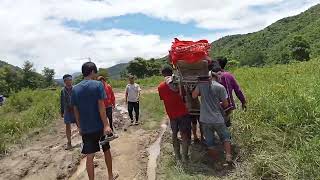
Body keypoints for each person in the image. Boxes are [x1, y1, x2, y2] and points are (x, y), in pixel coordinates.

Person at [71, 62, 118, 180]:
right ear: (92, 71)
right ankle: (110, 176)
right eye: (95, 72)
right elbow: (101, 106)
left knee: (89, 156)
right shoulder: (97, 85)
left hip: (86, 128)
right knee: (106, 150)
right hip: (99, 126)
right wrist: (106, 125)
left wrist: (79, 127)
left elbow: (75, 110)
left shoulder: (75, 89)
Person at [192, 71, 232, 164]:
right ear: (216, 77)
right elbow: (226, 104)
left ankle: (216, 162)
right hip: (217, 118)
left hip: (205, 120)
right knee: (226, 137)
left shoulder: (201, 86)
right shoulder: (220, 87)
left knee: (210, 142)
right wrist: (218, 103)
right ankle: (228, 157)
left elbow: (194, 96)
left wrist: (198, 85)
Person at [158, 65, 191, 162]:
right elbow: (185, 95)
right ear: (171, 72)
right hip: (183, 113)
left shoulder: (160, 87)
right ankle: (185, 156)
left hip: (172, 115)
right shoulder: (180, 83)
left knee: (174, 134)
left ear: (163, 74)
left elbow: (163, 99)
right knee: (184, 134)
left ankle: (177, 156)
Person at [217, 57, 247, 127]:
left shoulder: (212, 76)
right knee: (226, 124)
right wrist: (243, 102)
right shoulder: (228, 76)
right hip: (228, 105)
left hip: (215, 106)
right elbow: (238, 90)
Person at [60, 74, 77, 150]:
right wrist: (62, 111)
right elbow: (62, 101)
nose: (69, 81)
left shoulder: (75, 89)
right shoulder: (62, 90)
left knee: (80, 124)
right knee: (67, 127)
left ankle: (85, 140)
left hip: (75, 110)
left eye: (70, 80)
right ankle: (69, 143)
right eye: (67, 80)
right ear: (64, 81)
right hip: (67, 111)